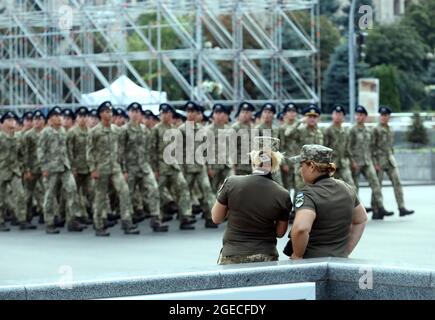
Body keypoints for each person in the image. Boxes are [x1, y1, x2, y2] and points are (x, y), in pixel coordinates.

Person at [212, 136, 292, 265]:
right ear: (275, 162)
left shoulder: (232, 182)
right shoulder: (283, 194)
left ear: (253, 159)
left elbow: (216, 218)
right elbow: (280, 232)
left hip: (233, 254)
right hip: (266, 256)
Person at [284, 144, 367, 259]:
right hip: (340, 260)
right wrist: (345, 250)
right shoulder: (347, 188)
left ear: (312, 166)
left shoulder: (307, 194)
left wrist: (297, 255)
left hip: (312, 262)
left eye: (301, 165)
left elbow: (301, 229)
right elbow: (361, 219)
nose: (300, 170)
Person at [87, 101, 140, 236]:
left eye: (110, 112)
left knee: (124, 191)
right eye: (106, 112)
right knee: (100, 196)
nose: (109, 114)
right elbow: (90, 151)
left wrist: (124, 169)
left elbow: (121, 151)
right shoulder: (94, 131)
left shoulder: (116, 130)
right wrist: (93, 169)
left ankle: (126, 221)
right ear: (100, 114)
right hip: (101, 168)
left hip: (115, 167)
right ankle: (99, 224)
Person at [119, 102, 168, 232]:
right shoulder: (124, 130)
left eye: (137, 112)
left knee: (153, 189)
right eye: (132, 111)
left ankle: (155, 219)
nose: (135, 114)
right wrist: (123, 170)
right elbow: (120, 151)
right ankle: (127, 220)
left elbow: (150, 150)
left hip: (144, 167)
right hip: (130, 167)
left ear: (140, 114)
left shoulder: (145, 130)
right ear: (128, 113)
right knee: (127, 194)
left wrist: (153, 167)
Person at [37, 106, 84, 234]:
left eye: (60, 116)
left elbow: (67, 149)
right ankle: (49, 222)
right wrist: (44, 167)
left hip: (64, 166)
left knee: (72, 189)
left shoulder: (63, 131)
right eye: (56, 116)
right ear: (50, 119)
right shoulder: (46, 132)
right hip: (51, 168)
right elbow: (40, 150)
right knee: (50, 194)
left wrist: (71, 165)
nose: (59, 118)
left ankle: (72, 220)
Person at [347, 105, 392, 220]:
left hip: (367, 162)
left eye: (361, 115)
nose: (358, 117)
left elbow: (371, 147)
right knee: (355, 188)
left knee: (375, 184)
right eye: (357, 114)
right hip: (356, 162)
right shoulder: (352, 130)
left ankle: (380, 207)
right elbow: (348, 147)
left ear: (365, 117)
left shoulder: (368, 130)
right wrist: (352, 161)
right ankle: (359, 211)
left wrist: (374, 161)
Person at [372, 106, 414, 217]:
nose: (383, 117)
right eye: (381, 115)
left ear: (389, 117)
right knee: (377, 185)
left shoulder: (390, 129)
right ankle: (376, 210)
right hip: (379, 160)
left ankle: (401, 207)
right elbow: (372, 147)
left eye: (385, 115)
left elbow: (390, 145)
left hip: (390, 160)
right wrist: (374, 162)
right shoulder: (376, 130)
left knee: (397, 182)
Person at [0, 111, 37, 231]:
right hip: (1, 170)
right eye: (9, 120)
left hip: (14, 171)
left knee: (20, 194)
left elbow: (23, 155)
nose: (12, 122)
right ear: (2, 123)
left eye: (13, 120)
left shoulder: (18, 138)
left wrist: (26, 170)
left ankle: (22, 219)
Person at [323, 104, 356, 189]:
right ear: (332, 115)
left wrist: (352, 161)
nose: (337, 116)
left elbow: (347, 148)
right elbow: (324, 148)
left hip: (343, 163)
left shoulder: (345, 131)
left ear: (343, 117)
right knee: (331, 189)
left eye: (340, 114)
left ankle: (353, 202)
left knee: (351, 187)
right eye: (335, 114)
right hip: (332, 165)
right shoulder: (328, 130)